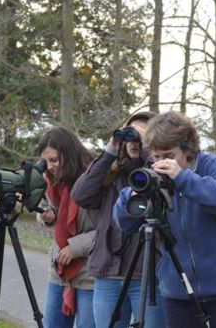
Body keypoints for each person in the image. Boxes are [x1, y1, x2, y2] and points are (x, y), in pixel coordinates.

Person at [112, 111, 216, 328]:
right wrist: (133, 197)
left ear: (187, 150)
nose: (161, 163)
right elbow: (125, 223)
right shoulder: (153, 176)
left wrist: (182, 178)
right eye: (155, 157)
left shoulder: (212, 165)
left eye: (168, 156)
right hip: (179, 293)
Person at [71, 111, 167, 328]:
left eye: (141, 137)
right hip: (108, 272)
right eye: (130, 135)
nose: (134, 142)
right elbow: (81, 196)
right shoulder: (111, 172)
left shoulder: (160, 170)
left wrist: (147, 150)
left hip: (149, 274)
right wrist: (109, 152)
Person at [37, 126, 98, 328]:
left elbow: (111, 227)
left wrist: (76, 247)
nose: (50, 166)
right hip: (60, 271)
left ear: (69, 153)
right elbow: (51, 212)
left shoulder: (97, 177)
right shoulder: (52, 180)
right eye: (46, 162)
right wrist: (46, 216)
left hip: (92, 274)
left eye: (54, 160)